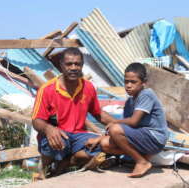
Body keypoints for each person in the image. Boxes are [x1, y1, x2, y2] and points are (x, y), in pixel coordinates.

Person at [32, 47, 115, 179]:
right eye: (69, 64)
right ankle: (45, 167)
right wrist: (49, 129)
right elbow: (36, 120)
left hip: (79, 136)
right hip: (58, 135)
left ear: (82, 65)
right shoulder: (47, 89)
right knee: (54, 140)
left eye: (77, 64)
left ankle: (67, 163)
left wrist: (119, 125)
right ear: (61, 65)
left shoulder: (88, 87)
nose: (73, 67)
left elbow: (98, 113)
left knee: (103, 146)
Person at [86, 62, 169, 177]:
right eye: (126, 82)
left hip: (155, 138)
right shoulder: (130, 102)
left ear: (144, 82)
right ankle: (142, 157)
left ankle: (142, 162)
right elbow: (126, 128)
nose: (128, 85)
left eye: (133, 82)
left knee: (115, 129)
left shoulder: (146, 95)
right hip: (142, 137)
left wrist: (114, 122)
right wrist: (100, 138)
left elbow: (133, 122)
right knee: (105, 144)